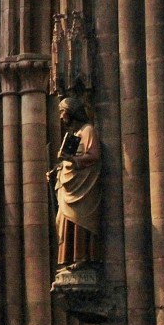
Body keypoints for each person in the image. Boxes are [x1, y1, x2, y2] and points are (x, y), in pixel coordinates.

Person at [48, 97, 101, 266]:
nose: (61, 118)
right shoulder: (75, 134)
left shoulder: (88, 130)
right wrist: (57, 169)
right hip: (69, 186)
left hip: (83, 187)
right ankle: (68, 258)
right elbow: (71, 160)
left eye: (63, 113)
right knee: (64, 220)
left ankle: (82, 258)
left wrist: (70, 159)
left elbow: (94, 156)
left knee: (79, 220)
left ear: (71, 113)